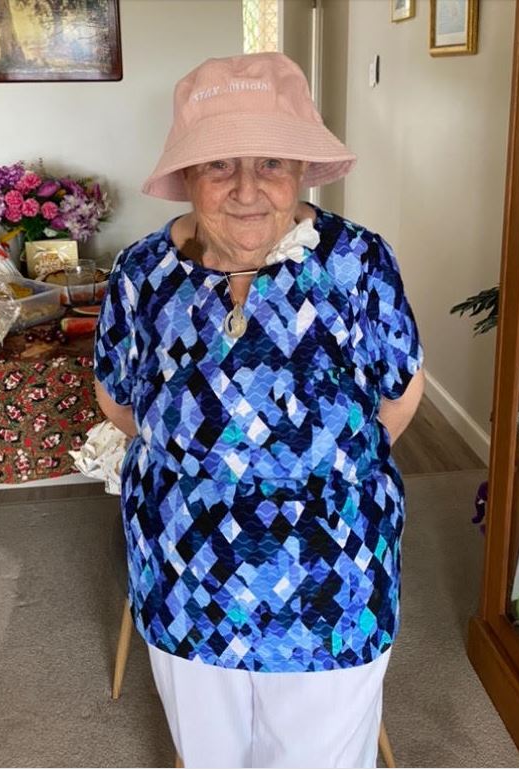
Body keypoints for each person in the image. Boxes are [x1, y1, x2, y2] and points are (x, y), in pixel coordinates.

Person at [94, 52, 424, 769]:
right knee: (208, 754)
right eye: (219, 164)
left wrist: (318, 476)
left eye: (271, 162)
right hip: (186, 569)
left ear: (300, 169)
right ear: (187, 174)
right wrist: (208, 470)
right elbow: (117, 400)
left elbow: (399, 393)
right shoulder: (141, 272)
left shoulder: (357, 263)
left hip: (332, 575)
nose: (246, 189)